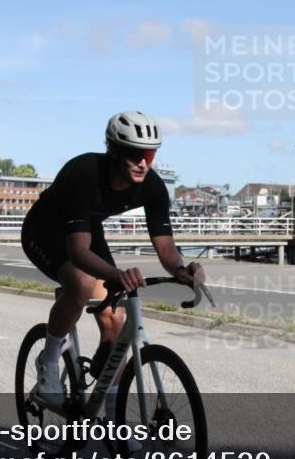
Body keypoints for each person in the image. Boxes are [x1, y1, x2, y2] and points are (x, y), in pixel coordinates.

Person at [21, 111, 205, 410]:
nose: (143, 162)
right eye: (135, 154)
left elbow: (166, 248)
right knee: (82, 285)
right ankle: (49, 360)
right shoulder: (83, 173)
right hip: (45, 231)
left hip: (87, 229)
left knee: (115, 318)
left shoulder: (152, 186)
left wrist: (182, 270)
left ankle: (111, 412)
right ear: (114, 151)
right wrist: (115, 274)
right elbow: (78, 252)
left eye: (149, 154)